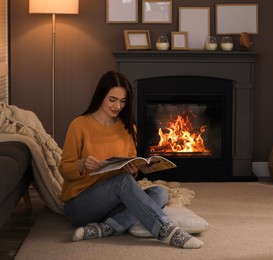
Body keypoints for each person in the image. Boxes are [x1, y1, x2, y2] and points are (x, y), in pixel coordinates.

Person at [59, 71, 203, 249]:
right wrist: (81, 164)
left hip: (111, 204)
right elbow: (64, 170)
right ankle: (166, 230)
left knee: (160, 193)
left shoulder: (128, 127)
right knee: (123, 182)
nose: (117, 106)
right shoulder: (79, 125)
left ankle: (107, 228)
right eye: (112, 99)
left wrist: (133, 170)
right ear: (100, 96)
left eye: (123, 101)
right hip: (80, 205)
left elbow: (127, 170)